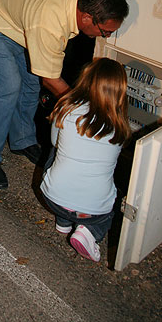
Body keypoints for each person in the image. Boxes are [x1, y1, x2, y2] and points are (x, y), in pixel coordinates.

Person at [0, 0, 129, 189]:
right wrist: (87, 112)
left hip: (22, 25)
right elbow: (51, 81)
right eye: (105, 31)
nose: (107, 36)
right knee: (8, 87)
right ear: (86, 17)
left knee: (31, 83)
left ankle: (22, 140)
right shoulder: (49, 22)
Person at [40, 57, 131, 262]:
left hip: (53, 199)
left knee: (58, 153)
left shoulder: (67, 108)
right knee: (110, 192)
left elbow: (55, 142)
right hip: (92, 212)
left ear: (86, 80)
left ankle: (63, 222)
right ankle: (90, 232)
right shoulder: (121, 126)